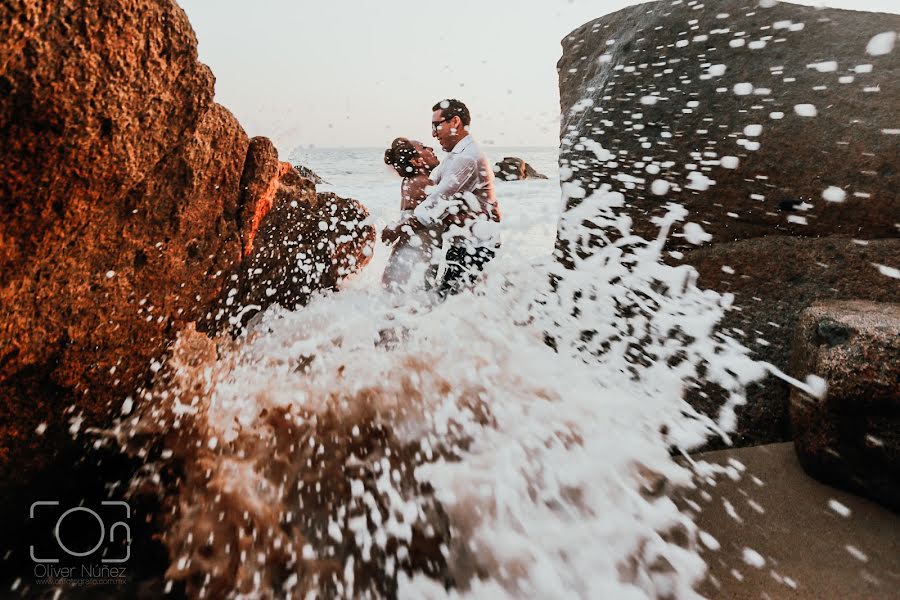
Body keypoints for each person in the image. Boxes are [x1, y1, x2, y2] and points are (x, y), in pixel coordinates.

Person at [412, 99, 501, 296]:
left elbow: (434, 204)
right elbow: (430, 187)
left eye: (436, 125)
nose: (433, 133)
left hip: (476, 247)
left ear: (455, 122)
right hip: (463, 245)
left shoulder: (466, 157)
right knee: (451, 305)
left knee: (456, 305)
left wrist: (398, 228)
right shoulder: (454, 156)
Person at [381, 137, 442, 292]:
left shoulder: (411, 180)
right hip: (413, 257)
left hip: (407, 260)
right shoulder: (423, 181)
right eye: (424, 147)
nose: (431, 149)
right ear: (416, 162)